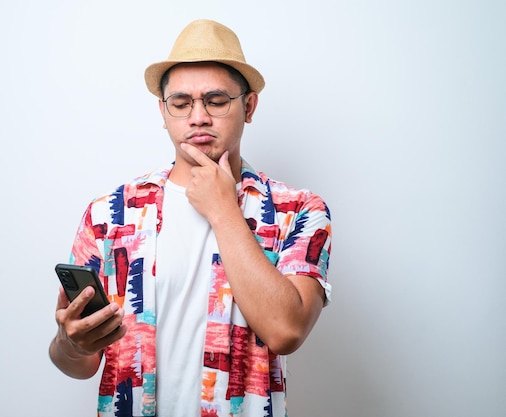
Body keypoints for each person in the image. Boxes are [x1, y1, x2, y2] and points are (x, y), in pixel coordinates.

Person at [49, 19, 332, 417]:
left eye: (216, 101)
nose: (197, 117)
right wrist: (71, 343)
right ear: (163, 112)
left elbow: (285, 330)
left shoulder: (298, 211)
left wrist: (222, 209)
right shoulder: (109, 215)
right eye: (181, 104)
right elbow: (77, 364)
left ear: (248, 106)